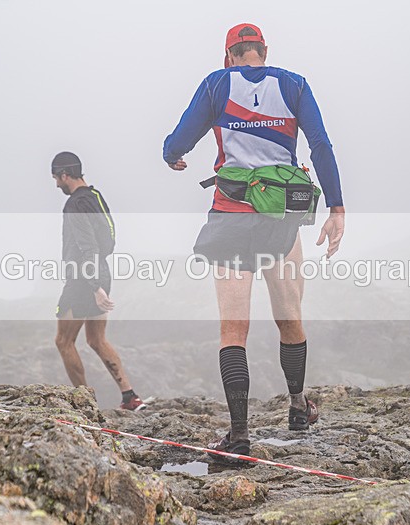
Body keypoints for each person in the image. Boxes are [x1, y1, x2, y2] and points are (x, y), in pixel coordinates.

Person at [163, 24, 344, 459]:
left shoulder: (217, 83)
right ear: (264, 51)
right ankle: (299, 408)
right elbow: (319, 144)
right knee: (290, 316)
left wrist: (173, 156)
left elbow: (177, 141)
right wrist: (337, 208)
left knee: (233, 329)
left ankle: (240, 434)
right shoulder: (294, 84)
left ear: (230, 55)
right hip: (280, 221)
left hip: (231, 215)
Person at [51, 151, 147, 411]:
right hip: (101, 271)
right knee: (96, 339)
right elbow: (108, 240)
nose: (56, 184)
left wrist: (93, 286)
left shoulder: (74, 205)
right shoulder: (96, 196)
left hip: (83, 278)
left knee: (63, 341)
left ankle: (84, 404)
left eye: (56, 179)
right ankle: (130, 397)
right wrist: (100, 280)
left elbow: (87, 246)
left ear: (64, 175)